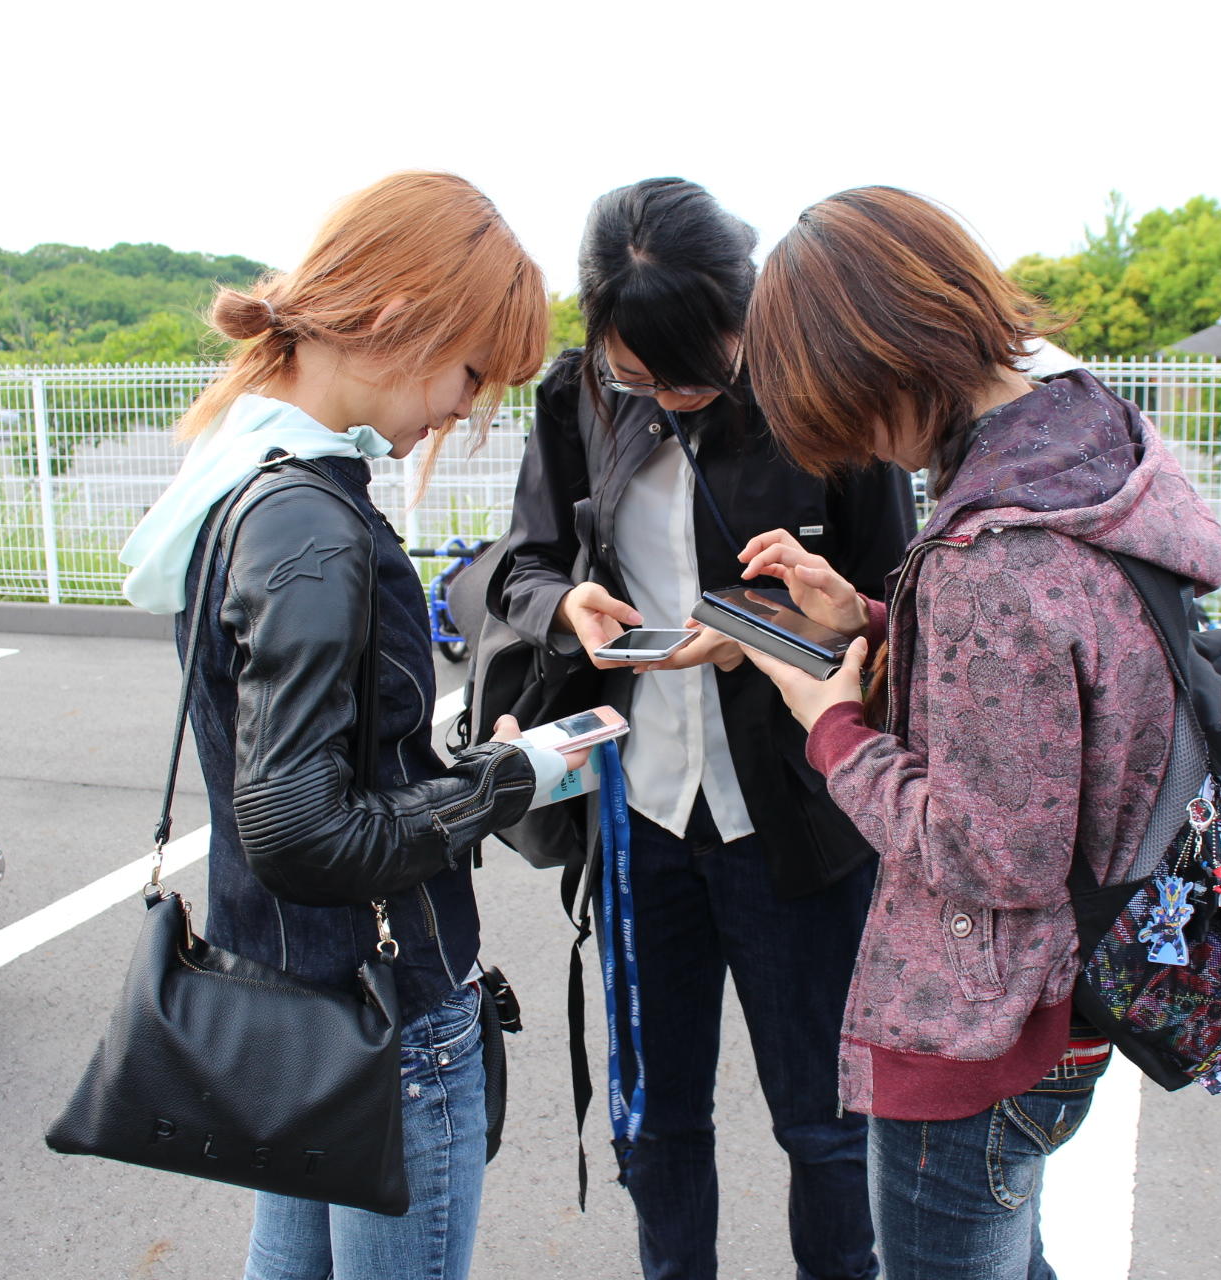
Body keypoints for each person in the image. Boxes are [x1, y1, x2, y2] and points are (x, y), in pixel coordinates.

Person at [736, 186, 1221, 1279]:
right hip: (1079, 976)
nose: (865, 449)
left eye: (852, 415)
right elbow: (1055, 692)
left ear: (886, 363)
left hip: (980, 1022)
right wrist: (870, 615)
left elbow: (989, 850)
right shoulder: (1087, 444)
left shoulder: (989, 560)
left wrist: (833, 724)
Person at [118, 171, 580, 1280]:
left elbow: (305, 781)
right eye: (473, 368)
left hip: (287, 994)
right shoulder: (314, 521)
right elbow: (299, 824)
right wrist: (512, 777)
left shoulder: (235, 483)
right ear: (399, 315)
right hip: (390, 1013)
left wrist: (462, 766)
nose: (468, 407)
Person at [494, 178, 916, 1280]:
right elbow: (521, 564)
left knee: (826, 1126)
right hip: (639, 817)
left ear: (746, 313)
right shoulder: (576, 395)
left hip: (798, 817)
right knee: (656, 1118)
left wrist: (769, 632)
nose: (668, 398)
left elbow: (898, 605)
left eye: (694, 372)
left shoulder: (822, 397)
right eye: (638, 376)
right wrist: (564, 609)